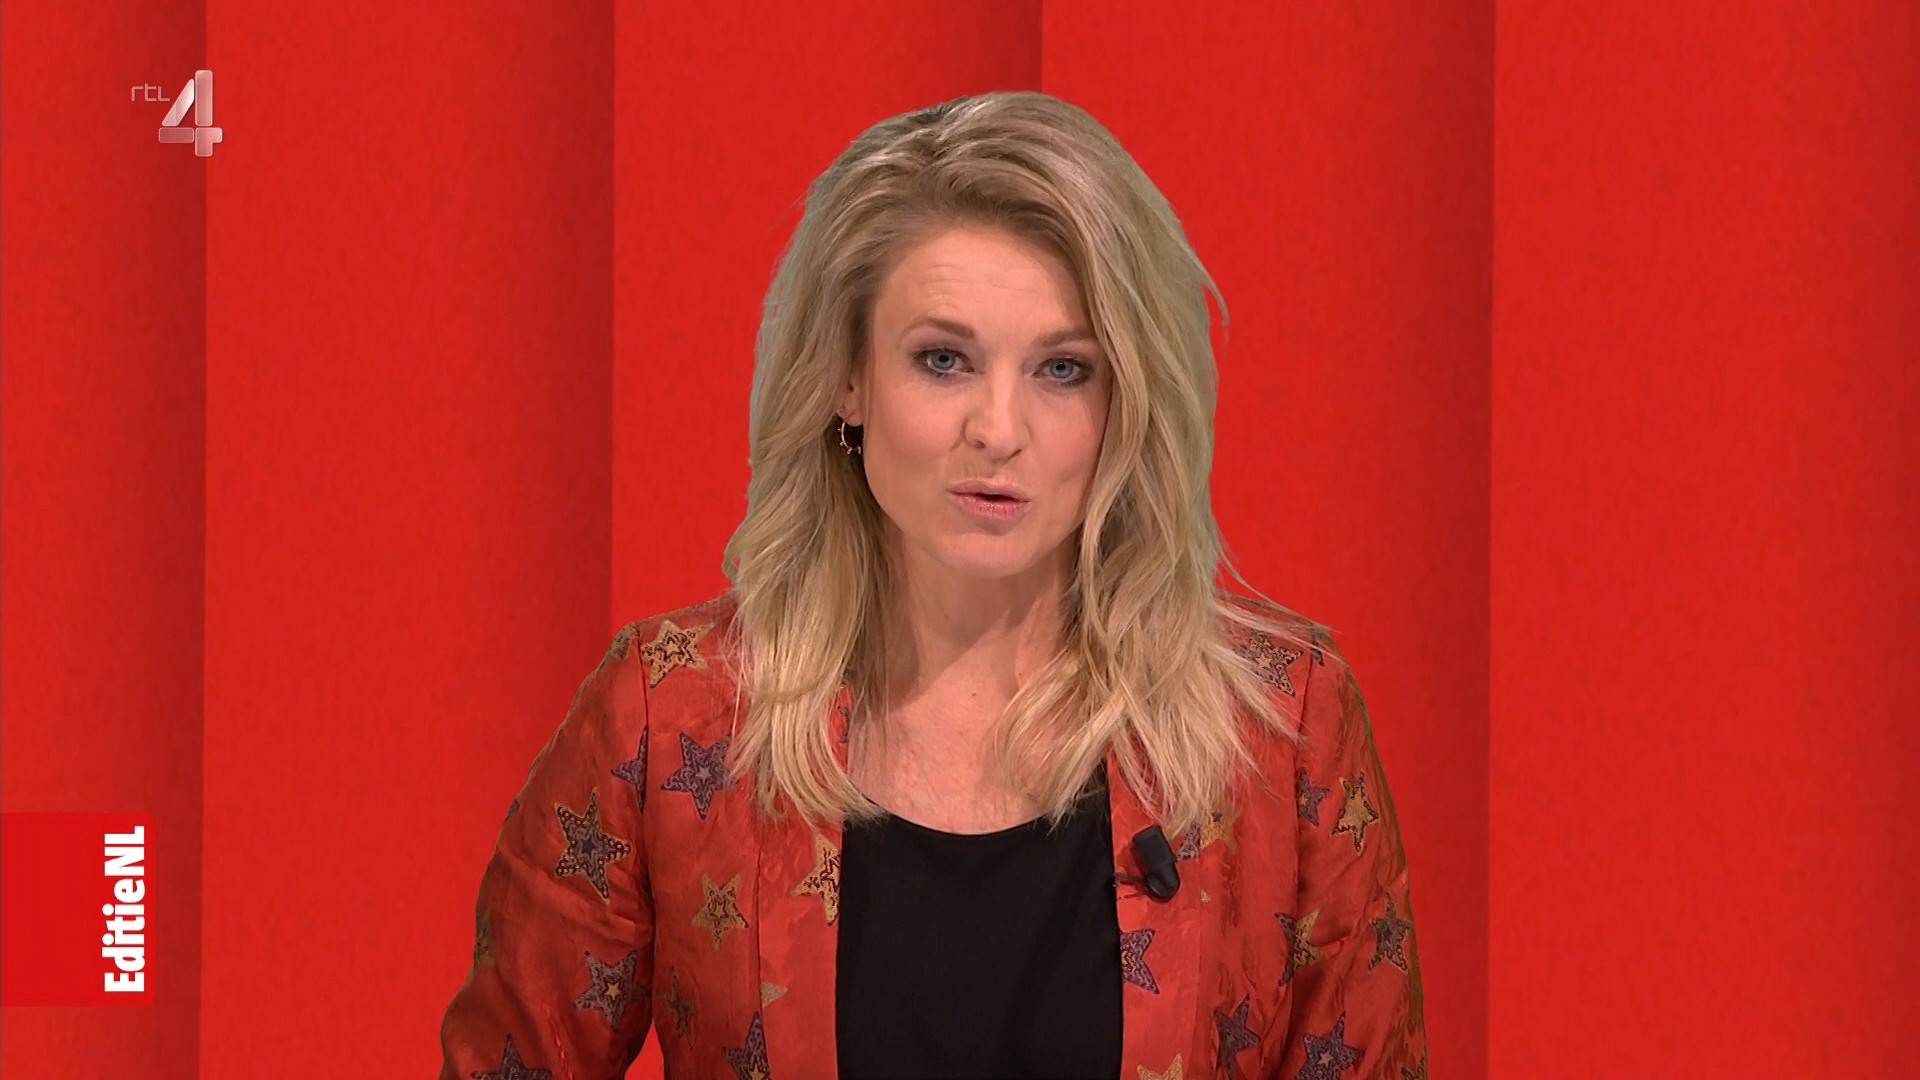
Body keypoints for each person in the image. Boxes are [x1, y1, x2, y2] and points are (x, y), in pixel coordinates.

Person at [438, 90, 1426, 1080]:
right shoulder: (673, 716)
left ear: (1125, 402)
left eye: (1063, 370)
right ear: (849, 379)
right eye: (944, 360)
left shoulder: (1284, 727)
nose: (998, 430)